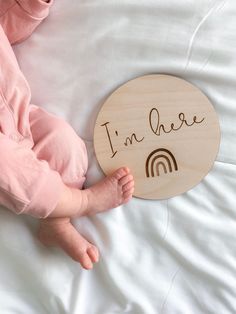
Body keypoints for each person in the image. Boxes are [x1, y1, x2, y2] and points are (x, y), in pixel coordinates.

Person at [0, 0, 134, 270]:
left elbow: (7, 27)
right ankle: (82, 202)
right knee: (13, 170)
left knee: (63, 142)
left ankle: (56, 220)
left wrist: (31, 4)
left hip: (18, 113)